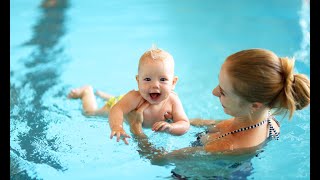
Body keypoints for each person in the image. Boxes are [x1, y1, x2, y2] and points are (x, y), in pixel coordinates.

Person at [129, 48, 310, 163]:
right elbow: (221, 124)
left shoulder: (225, 146)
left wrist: (136, 128)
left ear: (254, 105)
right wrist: (182, 121)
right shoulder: (268, 118)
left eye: (223, 92)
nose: (214, 92)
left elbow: (158, 159)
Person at [67, 46, 190, 145]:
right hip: (119, 102)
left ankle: (105, 95)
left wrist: (171, 127)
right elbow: (117, 109)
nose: (155, 85)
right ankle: (87, 92)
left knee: (124, 101)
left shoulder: (173, 100)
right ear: (138, 81)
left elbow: (184, 123)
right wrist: (117, 126)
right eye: (147, 79)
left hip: (126, 102)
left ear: (173, 83)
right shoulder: (135, 97)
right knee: (90, 113)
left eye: (163, 79)